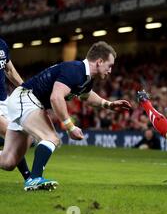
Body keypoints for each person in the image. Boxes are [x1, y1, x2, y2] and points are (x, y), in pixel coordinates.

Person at [0, 41, 132, 191]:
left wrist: (108, 104)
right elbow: (56, 97)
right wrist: (70, 127)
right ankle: (34, 179)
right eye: (109, 65)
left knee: (8, 161)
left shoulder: (85, 77)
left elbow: (86, 95)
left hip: (23, 100)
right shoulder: (75, 70)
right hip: (25, 99)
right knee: (51, 138)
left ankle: (33, 178)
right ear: (100, 61)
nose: (110, 70)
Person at [0, 38, 33, 182]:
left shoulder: (1, 44)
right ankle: (30, 178)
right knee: (15, 136)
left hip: (3, 100)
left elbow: (10, 70)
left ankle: (29, 177)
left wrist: (26, 89)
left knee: (11, 157)